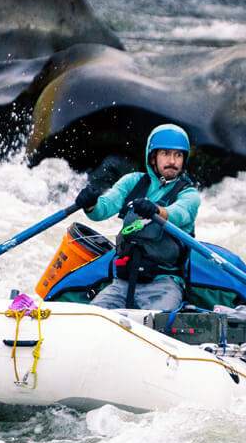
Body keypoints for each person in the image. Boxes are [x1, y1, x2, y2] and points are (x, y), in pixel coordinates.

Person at [74, 123, 201, 311]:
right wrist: (91, 203)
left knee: (155, 321)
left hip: (165, 285)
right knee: (93, 316)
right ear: (153, 157)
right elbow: (103, 209)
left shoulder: (189, 194)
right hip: (122, 284)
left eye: (178, 155)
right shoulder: (132, 182)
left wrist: (157, 211)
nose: (172, 161)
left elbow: (179, 214)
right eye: (166, 153)